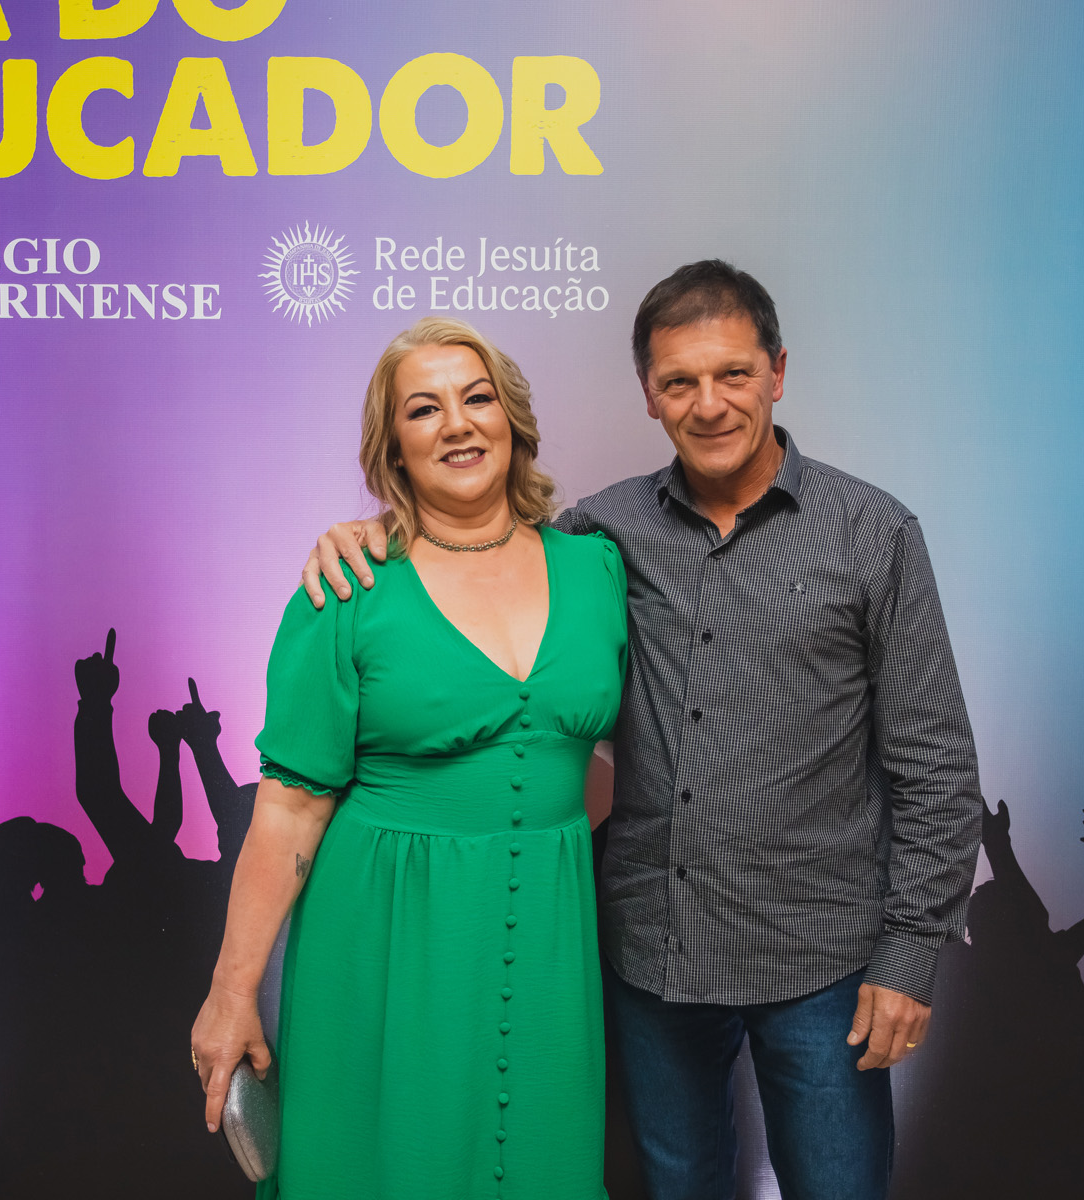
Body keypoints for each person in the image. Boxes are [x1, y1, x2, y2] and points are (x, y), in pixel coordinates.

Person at [304, 261, 983, 1199]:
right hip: (653, 958)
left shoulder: (873, 532)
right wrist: (370, 534)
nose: (709, 404)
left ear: (778, 372)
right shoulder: (600, 539)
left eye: (733, 374)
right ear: (649, 395)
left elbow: (936, 767)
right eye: (679, 381)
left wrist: (909, 957)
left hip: (822, 961)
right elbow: (477, 546)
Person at [190, 316, 629, 1199]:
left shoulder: (598, 569)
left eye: (477, 398)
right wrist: (231, 992)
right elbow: (288, 809)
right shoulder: (345, 589)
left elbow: (609, 755)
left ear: (512, 419)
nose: (457, 424)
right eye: (424, 409)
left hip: (548, 933)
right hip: (383, 934)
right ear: (393, 446)